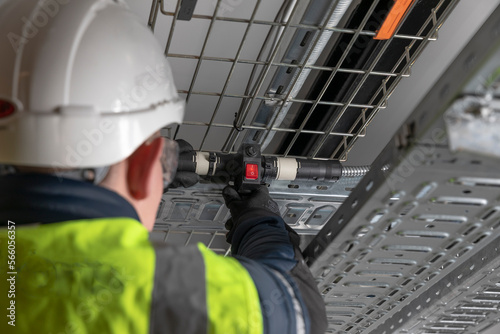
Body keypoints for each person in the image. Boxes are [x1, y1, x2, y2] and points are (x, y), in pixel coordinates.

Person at [0, 0, 327, 333]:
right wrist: (260, 223)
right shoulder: (161, 290)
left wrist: (132, 180)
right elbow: (299, 307)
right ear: (143, 168)